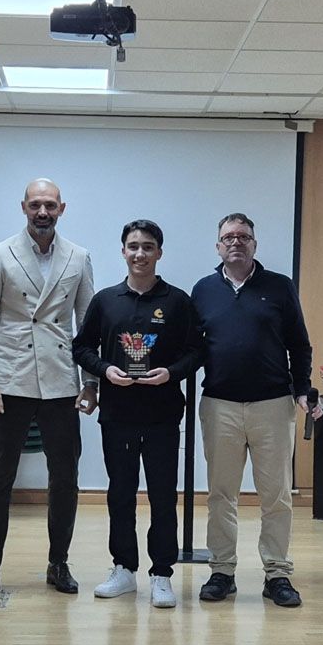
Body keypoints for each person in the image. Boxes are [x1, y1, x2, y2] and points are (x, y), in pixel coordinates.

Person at [0, 178, 97, 599]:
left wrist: (91, 382)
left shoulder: (78, 256)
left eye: (50, 205)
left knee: (65, 477)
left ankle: (58, 562)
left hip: (61, 380)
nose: (43, 212)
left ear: (62, 209)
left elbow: (87, 326)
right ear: (23, 207)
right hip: (12, 378)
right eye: (35, 205)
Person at [190, 212, 323, 608]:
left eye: (244, 236)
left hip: (273, 406)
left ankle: (277, 574)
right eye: (228, 237)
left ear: (254, 244)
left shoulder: (279, 287)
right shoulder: (203, 290)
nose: (236, 241)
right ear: (218, 246)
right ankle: (222, 571)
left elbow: (299, 344)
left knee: (276, 495)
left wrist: (302, 389)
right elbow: (191, 348)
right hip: (219, 406)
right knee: (221, 495)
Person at [72, 220, 202, 609]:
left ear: (159, 252)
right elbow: (81, 347)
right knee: (120, 495)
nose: (139, 253)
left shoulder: (178, 302)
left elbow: (197, 351)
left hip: (163, 415)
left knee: (163, 496)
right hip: (118, 414)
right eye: (133, 246)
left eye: (147, 247)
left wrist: (171, 373)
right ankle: (124, 569)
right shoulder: (105, 300)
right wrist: (104, 370)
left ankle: (162, 574)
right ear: (123, 251)